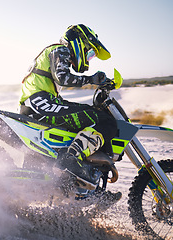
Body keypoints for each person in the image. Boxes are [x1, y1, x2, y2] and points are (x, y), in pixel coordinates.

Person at [19, 24, 117, 185]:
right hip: (40, 102)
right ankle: (70, 159)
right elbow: (62, 78)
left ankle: (92, 189)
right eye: (89, 52)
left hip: (39, 103)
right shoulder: (60, 50)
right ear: (78, 42)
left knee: (87, 118)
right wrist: (91, 80)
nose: (88, 57)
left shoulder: (56, 52)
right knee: (104, 120)